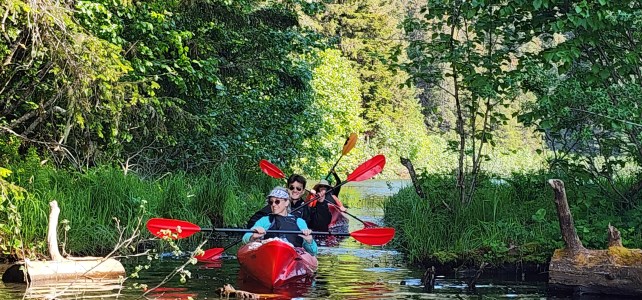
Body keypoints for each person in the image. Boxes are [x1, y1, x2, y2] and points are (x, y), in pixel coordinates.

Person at [243, 187, 318, 256]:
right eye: (271, 202)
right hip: (269, 254)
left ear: (286, 202)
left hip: (293, 256)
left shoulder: (299, 222)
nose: (273, 205)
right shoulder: (264, 220)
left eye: (277, 201)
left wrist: (309, 241)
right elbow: (245, 237)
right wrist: (252, 237)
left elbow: (313, 252)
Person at [246, 174, 312, 228]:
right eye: (292, 187)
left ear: (303, 191)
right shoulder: (276, 204)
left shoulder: (306, 208)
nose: (295, 190)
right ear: (287, 188)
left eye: (298, 188)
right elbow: (252, 222)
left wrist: (321, 203)